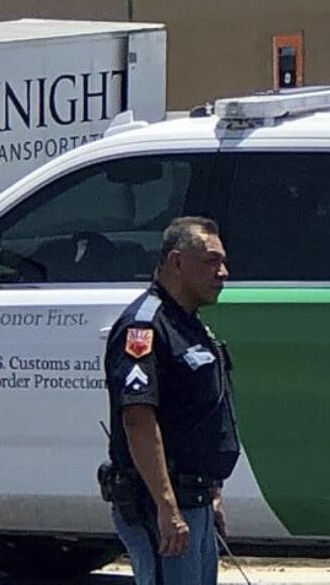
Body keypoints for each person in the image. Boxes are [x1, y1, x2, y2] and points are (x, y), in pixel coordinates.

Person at [100, 216, 240, 585]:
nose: (223, 272)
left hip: (195, 501)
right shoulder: (144, 327)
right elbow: (138, 419)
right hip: (163, 506)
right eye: (211, 261)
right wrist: (167, 508)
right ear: (177, 262)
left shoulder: (189, 323)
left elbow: (199, 416)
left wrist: (212, 492)